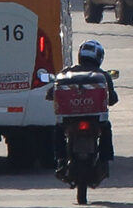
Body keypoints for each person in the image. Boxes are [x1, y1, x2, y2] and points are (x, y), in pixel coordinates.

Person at [49, 39, 118, 179]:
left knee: (58, 130)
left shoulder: (66, 73)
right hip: (95, 119)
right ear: (99, 57)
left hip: (69, 119)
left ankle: (61, 160)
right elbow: (113, 99)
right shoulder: (103, 75)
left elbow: (51, 93)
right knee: (106, 129)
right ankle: (105, 161)